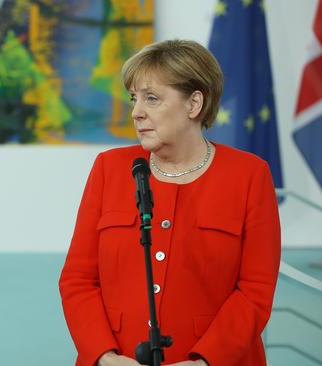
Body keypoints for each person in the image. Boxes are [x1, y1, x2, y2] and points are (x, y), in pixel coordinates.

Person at [59, 39, 281, 366]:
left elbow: (255, 292)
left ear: (194, 105)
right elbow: (77, 279)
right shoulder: (110, 168)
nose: (136, 112)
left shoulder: (249, 175)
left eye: (152, 98)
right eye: (134, 98)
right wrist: (105, 357)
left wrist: (203, 362)